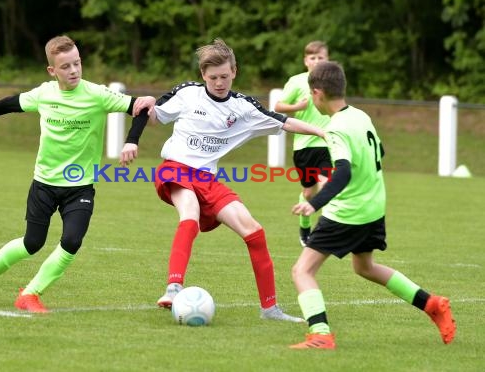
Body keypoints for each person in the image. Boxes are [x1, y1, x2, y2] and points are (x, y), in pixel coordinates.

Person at [0, 35, 155, 313]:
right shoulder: (44, 93)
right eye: (66, 66)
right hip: (44, 183)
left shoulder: (97, 94)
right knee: (32, 243)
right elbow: (10, 103)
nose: (74, 70)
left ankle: (29, 294)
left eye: (77, 63)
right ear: (52, 71)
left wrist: (132, 140)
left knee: (72, 241)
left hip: (80, 186)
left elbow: (141, 109)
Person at [146, 38, 325, 322]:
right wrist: (141, 110)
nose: (219, 83)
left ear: (234, 72)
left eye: (224, 77)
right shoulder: (188, 94)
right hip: (176, 168)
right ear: (203, 76)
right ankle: (173, 287)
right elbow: (153, 114)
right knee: (189, 212)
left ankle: (270, 309)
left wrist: (322, 132)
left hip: (208, 179)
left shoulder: (243, 107)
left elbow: (283, 121)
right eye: (213, 77)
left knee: (255, 232)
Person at [289, 61, 456, 349]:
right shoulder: (360, 116)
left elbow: (342, 171)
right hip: (374, 207)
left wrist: (314, 203)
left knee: (302, 271)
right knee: (365, 267)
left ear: (317, 94)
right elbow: (381, 150)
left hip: (348, 212)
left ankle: (320, 335)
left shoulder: (336, 128)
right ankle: (432, 304)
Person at [274, 41, 331, 247]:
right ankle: (304, 227)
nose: (316, 61)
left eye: (321, 57)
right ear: (306, 61)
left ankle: (325, 232)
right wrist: (297, 106)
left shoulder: (331, 82)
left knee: (327, 185)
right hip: (304, 147)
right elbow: (278, 106)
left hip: (328, 142)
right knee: (309, 192)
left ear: (327, 60)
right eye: (313, 58)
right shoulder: (297, 82)